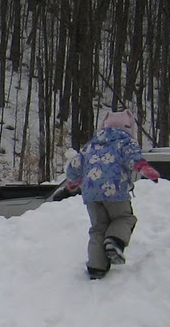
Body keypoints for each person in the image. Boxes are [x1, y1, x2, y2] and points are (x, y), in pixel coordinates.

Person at [62, 110, 160, 279]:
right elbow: (133, 158)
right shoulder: (125, 142)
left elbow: (74, 167)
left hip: (91, 194)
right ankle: (114, 241)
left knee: (98, 227)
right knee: (124, 218)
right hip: (114, 190)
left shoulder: (91, 145)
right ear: (129, 127)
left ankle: (96, 267)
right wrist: (144, 168)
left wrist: (75, 180)